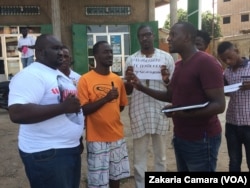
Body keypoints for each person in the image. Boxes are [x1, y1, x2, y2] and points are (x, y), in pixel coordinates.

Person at [126, 21, 226, 172]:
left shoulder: (206, 62)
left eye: (173, 35)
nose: (168, 39)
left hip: (201, 139)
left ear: (186, 37)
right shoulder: (179, 65)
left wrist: (183, 113)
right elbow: (170, 95)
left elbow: (219, 105)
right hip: (181, 137)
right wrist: (140, 87)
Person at [8, 34, 84, 188]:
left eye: (62, 48)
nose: (61, 52)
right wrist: (63, 108)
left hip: (68, 149)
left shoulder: (56, 74)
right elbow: (17, 113)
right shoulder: (31, 75)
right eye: (55, 48)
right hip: (47, 153)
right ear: (41, 52)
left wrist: (77, 139)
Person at [124, 24, 175, 187]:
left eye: (147, 35)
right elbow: (128, 90)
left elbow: (173, 87)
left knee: (161, 156)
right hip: (139, 111)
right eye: (141, 36)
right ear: (138, 38)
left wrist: (165, 79)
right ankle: (141, 185)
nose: (145, 38)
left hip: (160, 111)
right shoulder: (132, 59)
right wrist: (129, 79)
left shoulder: (166, 58)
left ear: (153, 35)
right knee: (139, 156)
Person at [77, 41, 130, 188]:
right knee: (98, 182)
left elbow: (119, 107)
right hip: (96, 139)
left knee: (116, 176)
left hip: (117, 136)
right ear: (95, 55)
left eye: (111, 52)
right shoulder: (85, 80)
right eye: (105, 52)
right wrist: (106, 99)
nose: (110, 55)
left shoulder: (117, 80)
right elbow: (83, 110)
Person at [217, 41, 250, 171]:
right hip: (232, 123)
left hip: (249, 124)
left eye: (229, 57)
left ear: (236, 51)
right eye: (224, 60)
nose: (228, 62)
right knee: (234, 161)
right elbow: (225, 91)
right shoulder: (226, 73)